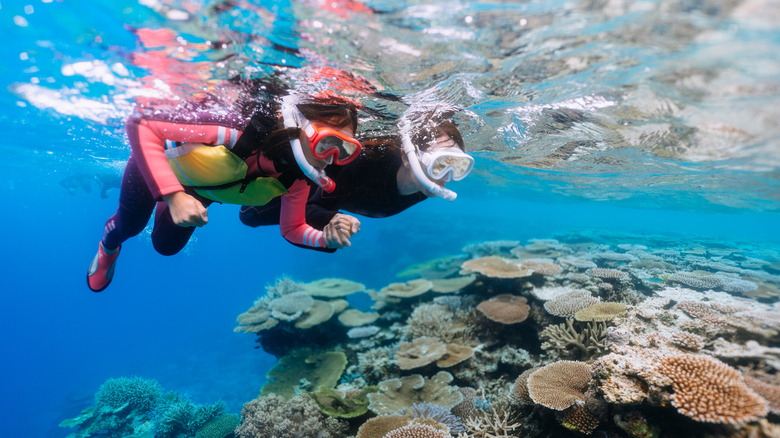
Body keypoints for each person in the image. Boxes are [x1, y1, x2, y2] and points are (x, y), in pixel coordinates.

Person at [87, 89, 361, 292]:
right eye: (328, 143)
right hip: (160, 168)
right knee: (130, 225)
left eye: (345, 150)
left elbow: (293, 228)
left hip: (198, 192)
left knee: (165, 247)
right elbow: (141, 124)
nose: (331, 158)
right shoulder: (234, 128)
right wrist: (173, 195)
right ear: (300, 124)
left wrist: (324, 239)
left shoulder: (296, 180)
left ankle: (171, 203)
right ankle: (108, 248)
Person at [238, 114, 474, 247]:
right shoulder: (364, 163)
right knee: (249, 215)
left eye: (458, 166)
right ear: (406, 156)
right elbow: (312, 207)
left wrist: (333, 229)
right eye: (440, 164)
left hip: (332, 200)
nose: (446, 178)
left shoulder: (424, 185)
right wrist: (332, 218)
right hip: (311, 187)